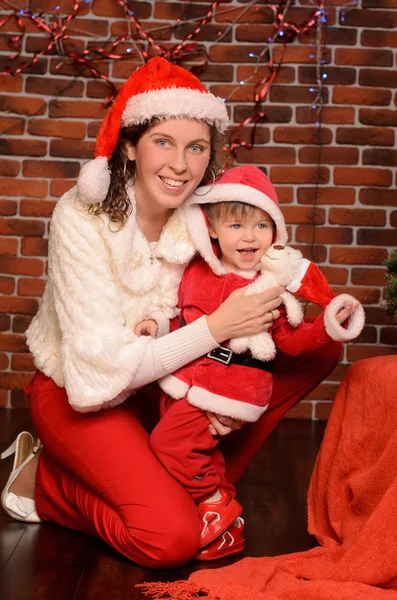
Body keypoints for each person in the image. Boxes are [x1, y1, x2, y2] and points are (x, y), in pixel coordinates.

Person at [1, 57, 340, 569]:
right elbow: (97, 372)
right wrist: (216, 329)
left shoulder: (206, 217)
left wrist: (311, 311)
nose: (180, 165)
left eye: (196, 147)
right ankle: (43, 481)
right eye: (163, 142)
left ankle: (198, 481)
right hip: (81, 393)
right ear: (131, 146)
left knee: (319, 347)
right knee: (171, 540)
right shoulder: (80, 216)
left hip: (167, 390)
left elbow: (270, 269)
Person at [144, 165, 364, 561]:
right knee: (196, 449)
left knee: (168, 443)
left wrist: (328, 325)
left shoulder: (269, 287)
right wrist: (156, 323)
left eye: (261, 226)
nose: (249, 237)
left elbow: (291, 343)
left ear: (275, 233)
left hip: (230, 385)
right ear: (212, 229)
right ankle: (227, 532)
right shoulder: (196, 271)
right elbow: (178, 314)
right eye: (236, 226)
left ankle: (215, 503)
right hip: (186, 377)